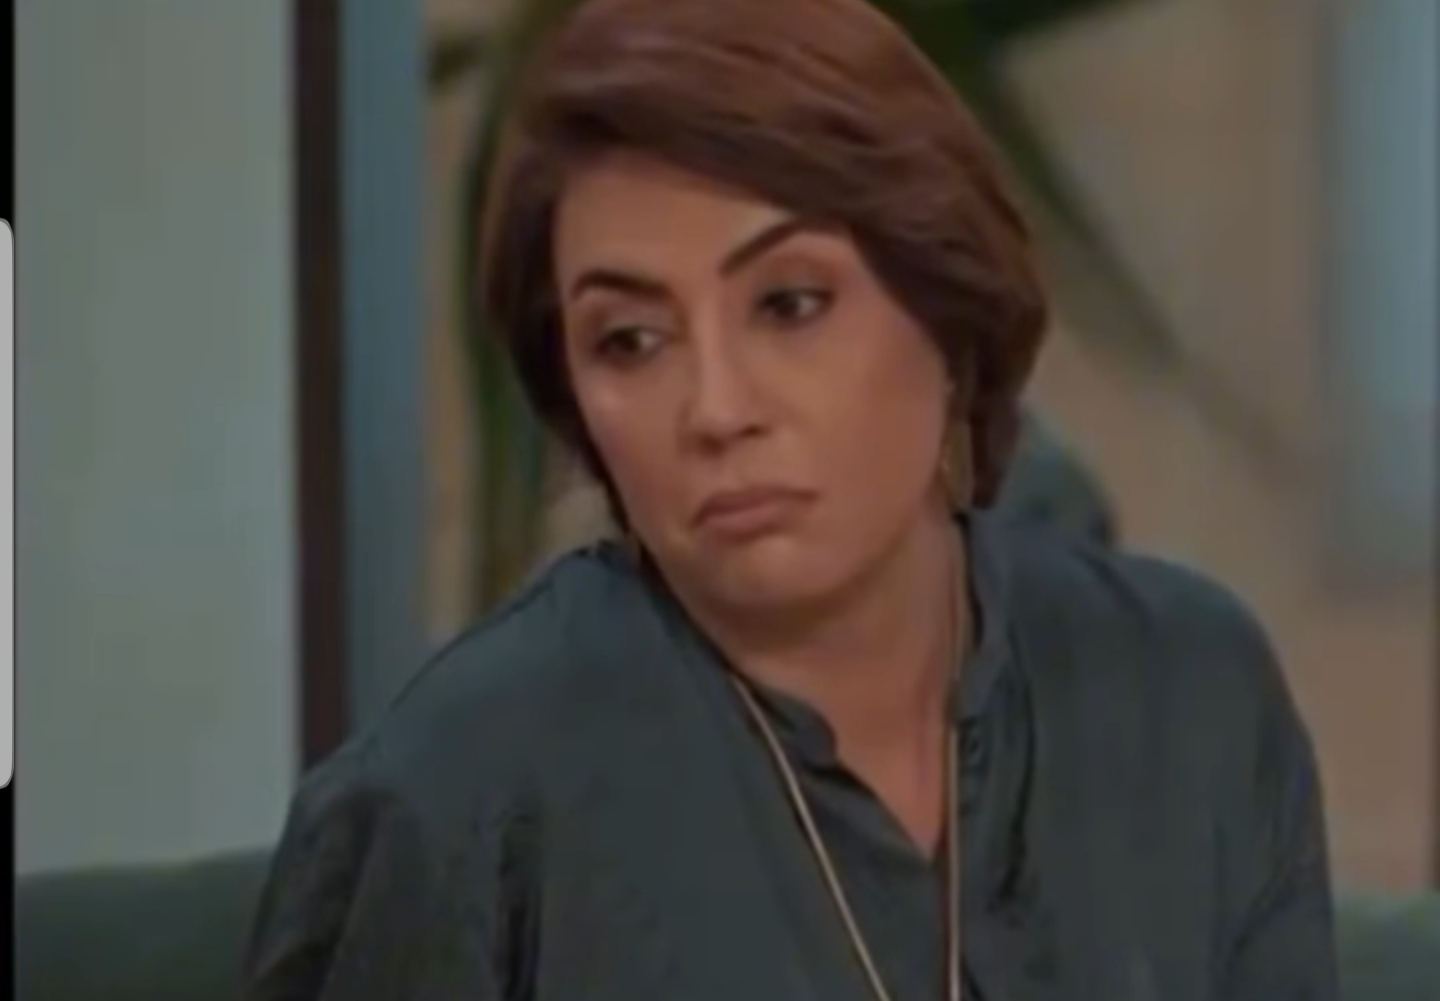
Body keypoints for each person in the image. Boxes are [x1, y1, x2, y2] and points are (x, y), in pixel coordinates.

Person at [241, 0, 1337, 998]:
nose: (716, 409)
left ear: (946, 310)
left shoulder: (1188, 691)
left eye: (791, 304)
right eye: (631, 340)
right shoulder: (458, 796)